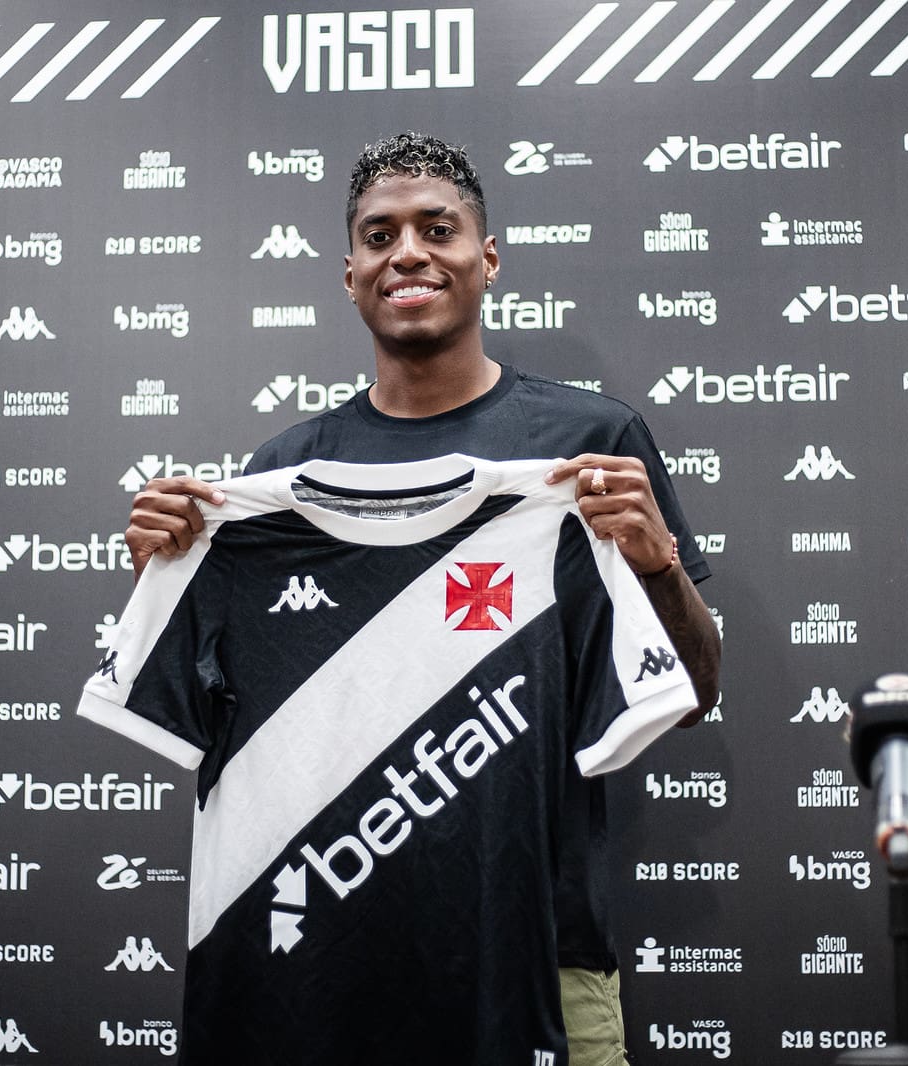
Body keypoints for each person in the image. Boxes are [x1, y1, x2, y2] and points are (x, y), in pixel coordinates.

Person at [124, 131, 721, 1066]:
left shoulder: (591, 445)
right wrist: (169, 582)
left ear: (488, 259)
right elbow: (219, 727)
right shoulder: (281, 476)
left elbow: (694, 694)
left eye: (437, 230)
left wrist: (657, 568)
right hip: (327, 962)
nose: (408, 253)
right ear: (350, 274)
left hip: (544, 958)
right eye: (380, 236)